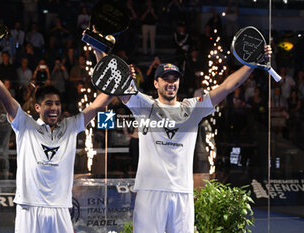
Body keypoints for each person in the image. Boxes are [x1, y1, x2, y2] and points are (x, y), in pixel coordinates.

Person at [97, 45, 272, 232]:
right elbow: (110, 78)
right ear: (156, 83)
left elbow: (228, 87)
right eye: (166, 79)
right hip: (150, 191)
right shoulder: (144, 105)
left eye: (175, 79)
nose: (171, 83)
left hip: (182, 193)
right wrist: (97, 48)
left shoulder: (193, 108)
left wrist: (252, 64)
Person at [0, 46, 113, 232]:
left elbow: (103, 100)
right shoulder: (25, 124)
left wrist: (109, 63)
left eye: (57, 103)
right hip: (29, 208)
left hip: (60, 209)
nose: (54, 108)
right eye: (48, 103)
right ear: (36, 108)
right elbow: (4, 96)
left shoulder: (70, 126)